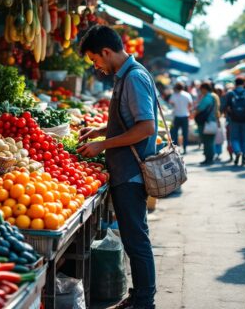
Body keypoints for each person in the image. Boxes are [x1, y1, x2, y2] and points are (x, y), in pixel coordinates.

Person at [77, 25, 157, 309]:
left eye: (95, 60)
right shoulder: (127, 75)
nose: (96, 67)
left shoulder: (133, 78)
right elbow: (131, 122)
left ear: (106, 52)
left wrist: (103, 145)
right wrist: (101, 131)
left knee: (136, 240)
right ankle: (140, 295)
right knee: (135, 238)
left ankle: (145, 301)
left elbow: (146, 127)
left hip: (131, 172)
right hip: (127, 170)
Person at [225, 76, 245, 166]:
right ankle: (244, 156)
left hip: (234, 119)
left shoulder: (230, 93)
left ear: (235, 83)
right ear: (244, 83)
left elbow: (226, 107)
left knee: (234, 138)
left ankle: (237, 151)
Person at [194, 82, 218, 165]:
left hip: (206, 122)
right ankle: (209, 158)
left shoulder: (208, 97)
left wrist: (194, 113)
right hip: (211, 121)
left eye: (201, 89)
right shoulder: (213, 96)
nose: (200, 91)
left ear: (204, 89)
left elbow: (200, 108)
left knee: (207, 141)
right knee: (209, 141)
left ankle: (209, 158)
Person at [168, 82, 193, 154]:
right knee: (185, 133)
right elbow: (190, 105)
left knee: (175, 133)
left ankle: (176, 149)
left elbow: (171, 104)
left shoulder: (174, 95)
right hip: (185, 116)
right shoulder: (187, 94)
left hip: (176, 116)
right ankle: (185, 148)